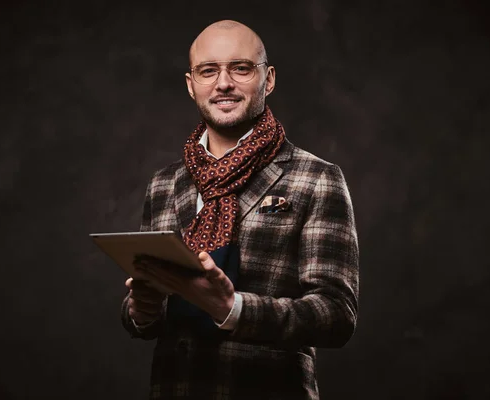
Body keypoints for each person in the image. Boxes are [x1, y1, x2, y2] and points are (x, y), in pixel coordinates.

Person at [121, 19, 359, 400]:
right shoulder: (164, 185)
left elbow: (336, 315)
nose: (224, 83)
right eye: (208, 70)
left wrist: (234, 309)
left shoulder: (317, 178)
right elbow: (151, 318)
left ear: (269, 79)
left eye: (241, 68)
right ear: (191, 84)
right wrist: (142, 310)